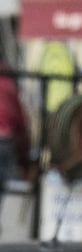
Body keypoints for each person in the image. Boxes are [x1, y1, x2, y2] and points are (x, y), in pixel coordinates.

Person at [0, 63, 31, 227]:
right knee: (11, 194)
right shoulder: (8, 85)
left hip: (5, 145)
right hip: (6, 143)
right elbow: (22, 125)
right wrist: (25, 160)